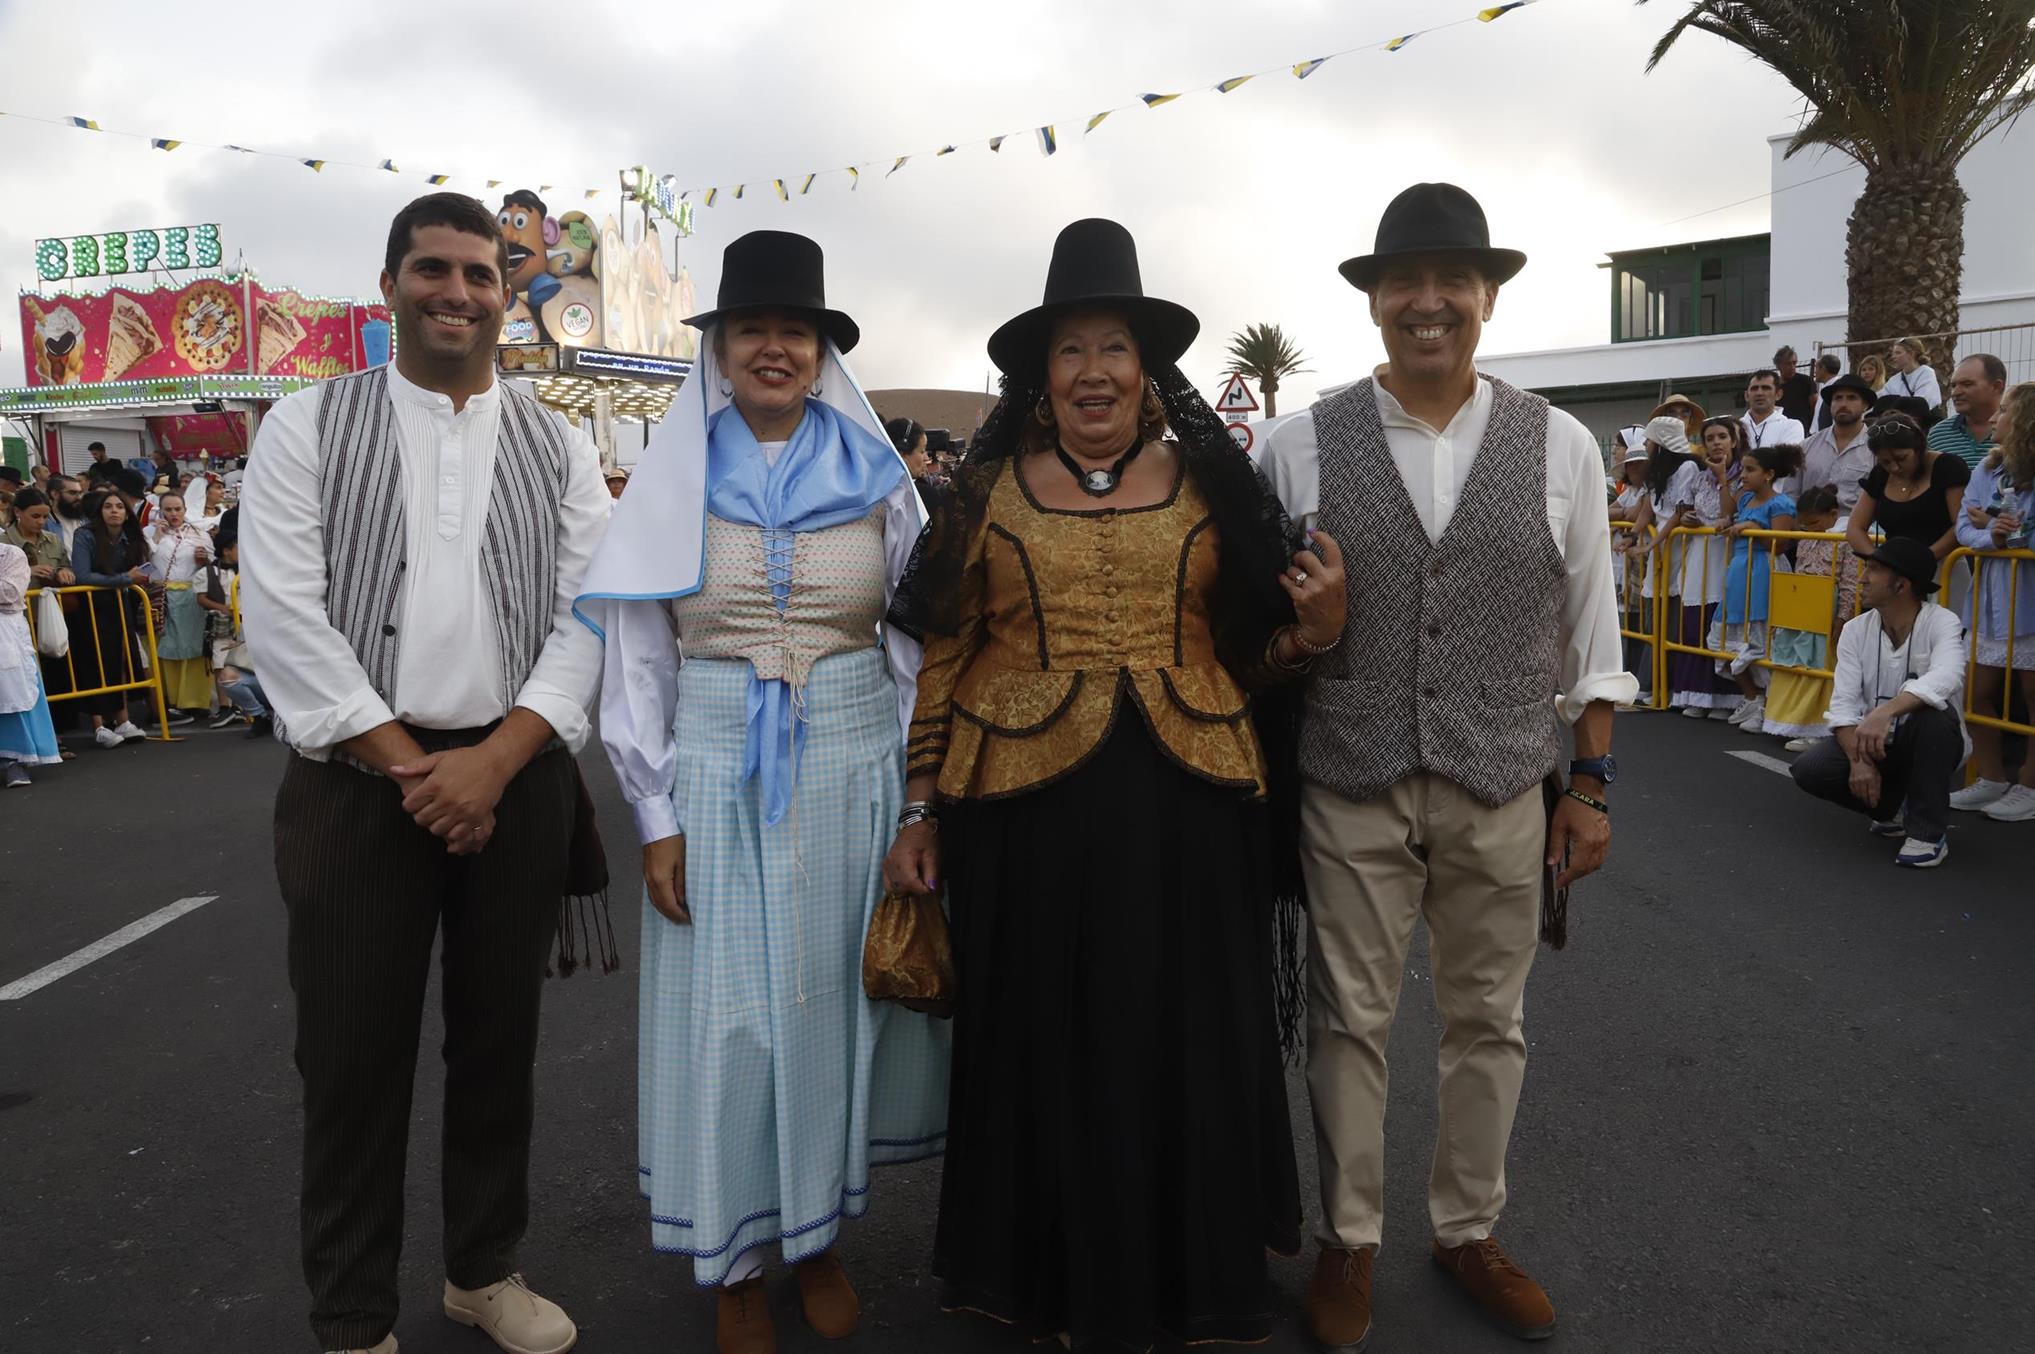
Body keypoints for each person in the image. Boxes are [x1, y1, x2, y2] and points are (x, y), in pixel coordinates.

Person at [889, 217, 1315, 1351]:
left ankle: (1184, 1276)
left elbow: (1252, 652)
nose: (1091, 372)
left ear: (1146, 371)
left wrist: (1310, 639)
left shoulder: (1210, 489)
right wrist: (919, 801)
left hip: (1192, 804)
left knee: (1185, 1036)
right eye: (1069, 351)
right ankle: (1051, 1281)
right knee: (1041, 1034)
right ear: (1039, 375)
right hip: (1022, 813)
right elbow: (941, 645)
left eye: (1113, 348)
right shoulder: (986, 497)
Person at [1257, 183, 1634, 1348]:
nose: (1427, 303)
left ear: (1486, 296)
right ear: (1373, 302)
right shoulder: (1297, 441)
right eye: (1402, 282)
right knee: (1345, 1020)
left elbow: (1593, 636)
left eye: (1451, 283)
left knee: (1489, 1019)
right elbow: (1252, 629)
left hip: (1503, 776)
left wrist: (1588, 785)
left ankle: (1468, 1229)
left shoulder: (1559, 442)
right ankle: (1350, 1241)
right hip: (1349, 770)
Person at [239, 192, 611, 1354]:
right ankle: (352, 1317)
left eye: (481, 274)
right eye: (433, 269)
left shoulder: (557, 442)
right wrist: (417, 770)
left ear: (509, 292)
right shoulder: (306, 423)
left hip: (515, 774)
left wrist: (495, 762)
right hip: (359, 788)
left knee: (497, 1043)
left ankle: (481, 1269)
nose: (458, 292)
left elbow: (592, 616)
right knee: (352, 1057)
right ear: (391, 281)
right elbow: (288, 621)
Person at [574, 230, 950, 1354]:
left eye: (796, 331)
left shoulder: (881, 481)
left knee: (832, 1006)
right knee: (730, 1019)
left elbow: (910, 652)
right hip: (714, 757)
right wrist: (655, 816)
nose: (774, 349)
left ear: (821, 349)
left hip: (850, 765)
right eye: (753, 331)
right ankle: (733, 1257)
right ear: (722, 348)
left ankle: (816, 1230)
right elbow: (637, 657)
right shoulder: (675, 479)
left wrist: (919, 804)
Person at [1791, 537, 1967, 868]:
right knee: (1810, 769)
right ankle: (1891, 808)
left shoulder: (1942, 621)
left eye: (1874, 569)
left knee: (1933, 717)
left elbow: (1948, 676)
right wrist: (1858, 762)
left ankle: (1928, 834)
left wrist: (1884, 712)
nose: (1862, 577)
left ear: (1902, 584)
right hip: (1876, 746)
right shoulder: (1856, 630)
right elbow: (1842, 707)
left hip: (1930, 743)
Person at [1948, 380, 2035, 822]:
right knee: (1973, 692)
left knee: (2032, 695)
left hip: (2030, 597)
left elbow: (2017, 528)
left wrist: (2011, 533)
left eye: (2004, 412)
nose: (1995, 419)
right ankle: (1992, 776)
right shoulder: (1987, 468)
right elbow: (1966, 526)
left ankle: (2031, 785)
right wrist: (1993, 536)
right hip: (1989, 596)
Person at [1713, 443, 1802, 731]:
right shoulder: (1745, 496)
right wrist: (1727, 501)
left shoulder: (1781, 504)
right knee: (1722, 640)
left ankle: (1765, 703)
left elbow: (1779, 545)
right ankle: (1751, 697)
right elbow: (1727, 510)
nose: (1745, 475)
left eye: (1750, 470)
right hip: (1740, 569)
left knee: (1759, 638)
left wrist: (1755, 527)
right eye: (1744, 469)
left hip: (1764, 568)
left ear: (1769, 474)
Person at [1762, 485, 1850, 749]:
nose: (1810, 529)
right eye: (1805, 526)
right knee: (1794, 662)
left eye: (1814, 523)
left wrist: (1843, 617)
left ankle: (1818, 727)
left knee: (1820, 667)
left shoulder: (1846, 538)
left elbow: (1850, 582)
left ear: (1834, 515)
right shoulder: (1807, 537)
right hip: (1801, 609)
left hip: (1826, 612)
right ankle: (1788, 720)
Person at [67, 489, 152, 748]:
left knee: (122, 660)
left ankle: (123, 720)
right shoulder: (85, 535)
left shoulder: (132, 539)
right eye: (108, 506)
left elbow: (140, 571)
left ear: (127, 513)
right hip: (90, 607)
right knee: (94, 662)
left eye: (119, 506)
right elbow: (83, 576)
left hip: (119, 604)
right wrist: (125, 579)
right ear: (99, 512)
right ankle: (99, 726)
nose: (114, 511)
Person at [1847, 413, 1970, 561]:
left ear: (1918, 448)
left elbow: (1961, 525)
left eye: (1901, 458)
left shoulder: (1948, 467)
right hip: (1895, 568)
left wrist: (1925, 558)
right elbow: (1855, 528)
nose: (1895, 468)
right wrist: (1878, 559)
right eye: (1885, 462)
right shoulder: (1880, 475)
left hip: (1946, 565)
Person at [148, 491, 215, 720]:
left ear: (185, 510)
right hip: (162, 597)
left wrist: (204, 558)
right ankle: (171, 700)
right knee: (167, 648)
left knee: (195, 648)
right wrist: (156, 536)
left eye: (177, 509)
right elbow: (143, 561)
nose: (173, 514)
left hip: (192, 597)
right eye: (168, 509)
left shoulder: (200, 534)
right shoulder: (149, 533)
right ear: (160, 511)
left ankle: (195, 701)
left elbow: (213, 563)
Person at [0, 542, 62, 787]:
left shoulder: (10, 554)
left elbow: (10, 592)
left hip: (6, 634)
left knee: (11, 693)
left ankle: (15, 760)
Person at [1796, 373, 1877, 510]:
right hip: (1806, 528)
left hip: (1852, 528)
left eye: (1852, 398)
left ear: (1865, 405)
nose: (1843, 404)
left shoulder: (1876, 450)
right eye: (1837, 398)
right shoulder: (1806, 446)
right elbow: (1790, 494)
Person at [1929, 354, 2005, 473]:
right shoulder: (1938, 435)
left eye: (1967, 384)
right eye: (1953, 385)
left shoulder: (2020, 432)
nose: (1955, 392)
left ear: (1996, 387)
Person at [1741, 368, 1805, 451]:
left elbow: (1787, 461)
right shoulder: (1736, 427)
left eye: (1766, 388)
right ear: (1746, 395)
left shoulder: (1791, 426)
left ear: (1778, 394)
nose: (1759, 393)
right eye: (1754, 388)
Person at [1885, 337, 1943, 411]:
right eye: (1893, 353)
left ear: (1911, 354)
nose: (1893, 357)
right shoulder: (1893, 380)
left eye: (1898, 353)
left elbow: (1923, 402)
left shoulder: (1926, 373)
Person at [1775, 345, 1816, 427]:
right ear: (1779, 365)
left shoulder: (1806, 382)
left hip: (1802, 430)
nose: (1792, 367)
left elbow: (1815, 407)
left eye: (1794, 363)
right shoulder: (1774, 385)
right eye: (1788, 364)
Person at [1809, 351, 1843, 431]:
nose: (1815, 372)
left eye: (1816, 368)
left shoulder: (1836, 389)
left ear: (1823, 368)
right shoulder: (1826, 388)